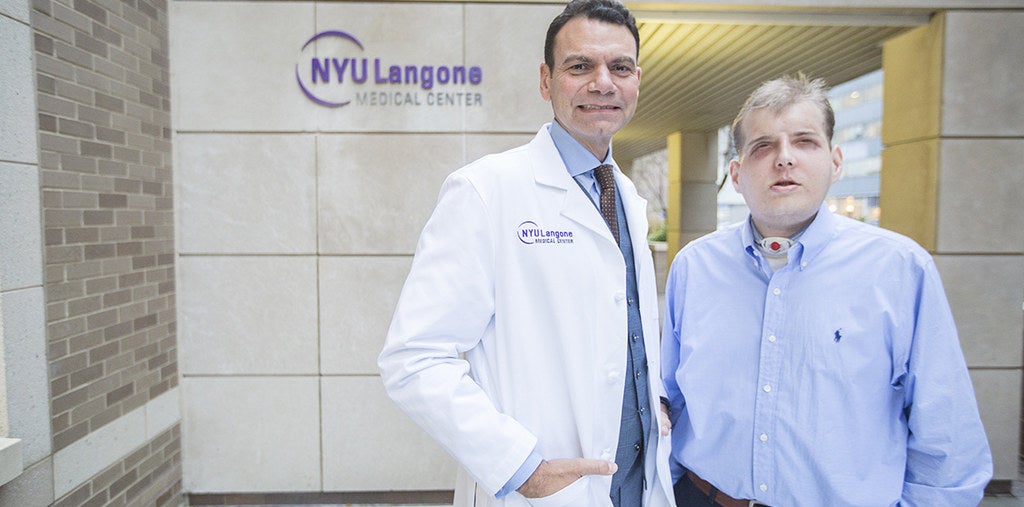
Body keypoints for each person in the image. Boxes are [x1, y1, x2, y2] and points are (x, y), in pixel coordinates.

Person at [378, 1, 675, 506]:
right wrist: (516, 464)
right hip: (542, 490)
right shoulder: (485, 191)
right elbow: (414, 359)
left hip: (636, 485)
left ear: (637, 81)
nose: (603, 82)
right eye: (580, 66)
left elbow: (621, 331)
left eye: (619, 67)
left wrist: (653, 400)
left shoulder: (628, 198)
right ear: (546, 80)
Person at [660, 74, 993, 506]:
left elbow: (947, 439)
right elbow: (668, 400)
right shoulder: (695, 267)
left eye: (805, 142)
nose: (784, 159)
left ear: (836, 162)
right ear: (737, 175)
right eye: (763, 146)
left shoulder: (898, 270)